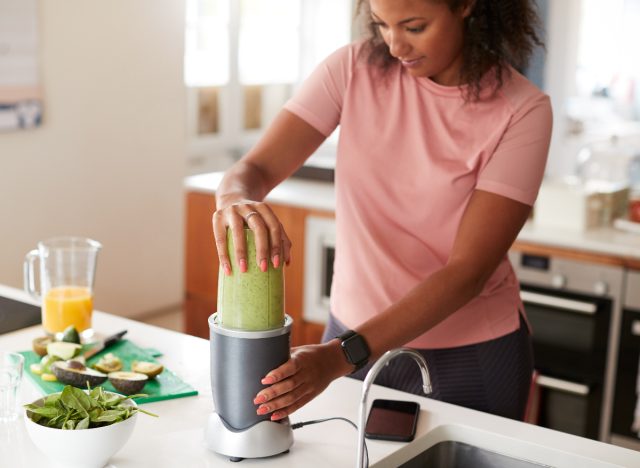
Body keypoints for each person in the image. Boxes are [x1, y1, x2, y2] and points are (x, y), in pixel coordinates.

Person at [212, 0, 552, 423]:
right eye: (382, 25)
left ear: (466, 5)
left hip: (467, 355)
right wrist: (234, 199)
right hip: (350, 340)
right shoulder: (352, 69)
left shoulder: (522, 110)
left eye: (413, 26)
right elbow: (255, 169)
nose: (395, 46)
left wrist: (339, 357)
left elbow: (468, 272)